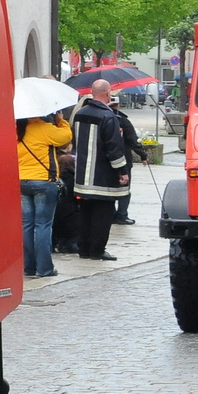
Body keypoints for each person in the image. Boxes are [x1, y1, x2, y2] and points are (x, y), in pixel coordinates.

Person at [71, 79, 130, 260]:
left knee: (85, 214)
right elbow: (114, 148)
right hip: (102, 177)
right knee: (103, 215)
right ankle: (97, 250)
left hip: (82, 176)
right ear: (107, 93)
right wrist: (122, 171)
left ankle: (84, 249)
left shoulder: (80, 114)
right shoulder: (109, 117)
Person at [18, 110, 72, 278]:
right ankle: (44, 269)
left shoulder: (17, 130)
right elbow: (65, 138)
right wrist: (61, 120)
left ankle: (29, 267)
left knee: (27, 225)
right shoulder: (44, 128)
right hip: (43, 181)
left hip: (21, 181)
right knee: (42, 226)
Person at [111, 93, 151, 224]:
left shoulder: (102, 118)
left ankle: (110, 215)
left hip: (106, 160)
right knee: (125, 189)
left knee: (109, 189)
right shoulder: (124, 121)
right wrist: (143, 156)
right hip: (124, 160)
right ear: (118, 105)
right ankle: (122, 215)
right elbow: (133, 140)